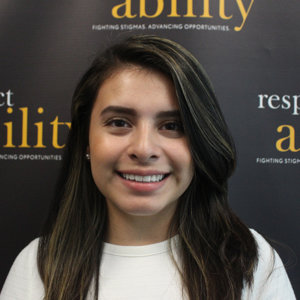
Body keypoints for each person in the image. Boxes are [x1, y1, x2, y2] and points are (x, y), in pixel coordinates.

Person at [0, 35, 296, 300]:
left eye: (172, 126)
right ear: (85, 141)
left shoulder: (251, 262)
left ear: (201, 144)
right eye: (119, 123)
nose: (143, 149)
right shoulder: (37, 266)